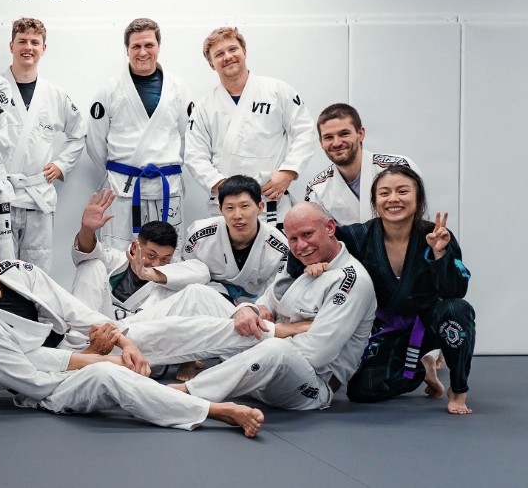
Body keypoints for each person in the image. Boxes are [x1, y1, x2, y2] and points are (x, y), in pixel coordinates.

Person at [0, 236, 265, 437]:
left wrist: (125, 342)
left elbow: (73, 310)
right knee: (110, 376)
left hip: (73, 348)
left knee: (163, 330)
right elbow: (32, 381)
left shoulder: (16, 270)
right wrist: (102, 359)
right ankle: (215, 410)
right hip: (53, 386)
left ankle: (266, 338)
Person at [171, 202, 377, 411]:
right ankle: (148, 352)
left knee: (276, 349)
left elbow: (315, 355)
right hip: (260, 361)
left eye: (307, 234)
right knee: (201, 294)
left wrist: (269, 333)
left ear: (330, 228)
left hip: (307, 385)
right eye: (293, 239)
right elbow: (264, 303)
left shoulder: (351, 280)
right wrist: (250, 311)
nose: (301, 245)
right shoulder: (300, 262)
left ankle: (189, 391)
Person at [327, 165, 474, 414]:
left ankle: (458, 390)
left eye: (403, 191)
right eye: (384, 193)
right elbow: (315, 241)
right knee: (362, 391)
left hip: (430, 324)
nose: (393, 199)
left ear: (418, 198)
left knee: (457, 310)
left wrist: (439, 255)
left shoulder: (436, 235)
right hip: (388, 329)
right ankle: (422, 366)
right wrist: (317, 263)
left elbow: (456, 290)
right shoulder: (358, 235)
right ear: (375, 201)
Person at [186, 27, 316, 229]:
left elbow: (304, 131)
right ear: (211, 64)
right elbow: (194, 155)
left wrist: (288, 172)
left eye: (232, 49)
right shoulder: (204, 107)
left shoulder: (277, 91)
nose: (227, 57)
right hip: (228, 204)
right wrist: (223, 186)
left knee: (275, 248)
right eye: (219, 54)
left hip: (271, 199)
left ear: (244, 52)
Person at [86, 18, 191, 250]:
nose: (142, 52)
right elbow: (95, 141)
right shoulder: (110, 89)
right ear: (127, 49)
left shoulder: (178, 88)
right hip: (123, 187)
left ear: (158, 46)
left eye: (149, 45)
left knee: (167, 254)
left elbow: (187, 137)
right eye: (136, 46)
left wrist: (166, 161)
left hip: (166, 186)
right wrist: (119, 172)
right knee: (119, 253)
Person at [70, 189, 233, 323]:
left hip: (137, 334)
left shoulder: (172, 272)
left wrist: (150, 274)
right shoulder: (115, 259)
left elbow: (202, 272)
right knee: (91, 264)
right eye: (151, 255)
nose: (157, 263)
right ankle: (78, 336)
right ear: (135, 246)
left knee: (186, 289)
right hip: (96, 325)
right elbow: (88, 252)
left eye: (165, 259)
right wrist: (87, 230)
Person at [2, 17, 86, 272]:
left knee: (36, 270)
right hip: (1, 194)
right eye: (22, 41)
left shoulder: (55, 94)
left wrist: (62, 164)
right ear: (11, 46)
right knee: (0, 268)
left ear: (44, 48)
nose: (28, 47)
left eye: (34, 42)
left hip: (38, 194)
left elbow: (79, 133)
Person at [178, 175, 290, 305]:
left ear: (260, 208)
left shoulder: (280, 247)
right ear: (221, 209)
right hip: (207, 303)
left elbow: (276, 294)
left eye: (244, 206)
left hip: (258, 309)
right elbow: (186, 275)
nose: (237, 216)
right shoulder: (199, 236)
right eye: (230, 208)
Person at [304, 103, 419, 224]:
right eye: (328, 137)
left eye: (344, 134)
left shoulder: (400, 167)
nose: (336, 143)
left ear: (360, 134)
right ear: (321, 142)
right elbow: (320, 232)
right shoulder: (316, 189)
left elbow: (421, 219)